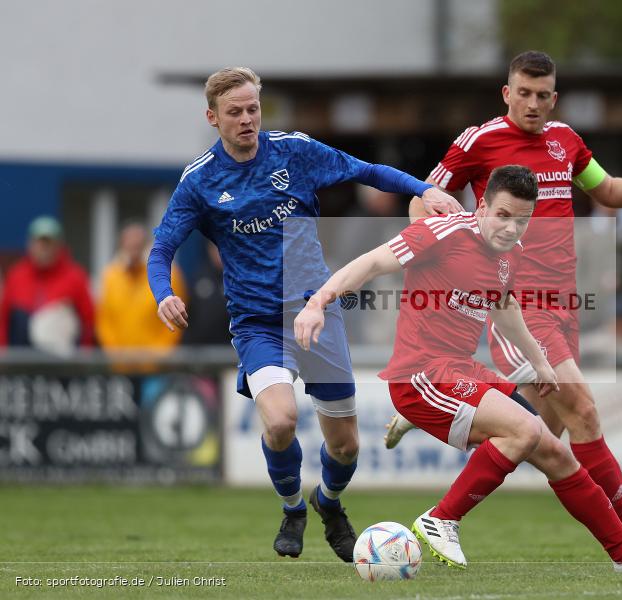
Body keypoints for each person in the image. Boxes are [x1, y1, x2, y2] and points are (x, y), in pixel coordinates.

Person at [383, 51, 622, 566]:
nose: (532, 103)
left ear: (555, 97)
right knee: (583, 408)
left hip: (564, 303)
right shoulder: (479, 140)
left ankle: (432, 443)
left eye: (542, 94)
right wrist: (449, 244)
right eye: (522, 93)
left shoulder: (566, 141)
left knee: (543, 435)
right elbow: (424, 197)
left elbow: (607, 189)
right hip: (517, 303)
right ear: (507, 93)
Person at [295, 166, 622, 572]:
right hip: (421, 373)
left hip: (463, 369)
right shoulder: (443, 232)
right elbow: (372, 263)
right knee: (526, 429)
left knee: (553, 449)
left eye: (521, 220)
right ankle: (442, 518)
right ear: (482, 206)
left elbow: (504, 306)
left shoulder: (509, 253)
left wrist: (539, 361)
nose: (510, 228)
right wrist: (318, 302)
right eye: (502, 215)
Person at [147, 66, 460, 561]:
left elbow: (366, 170)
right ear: (213, 117)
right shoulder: (200, 181)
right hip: (258, 323)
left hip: (316, 310)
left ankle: (329, 503)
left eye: (253, 108)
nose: (247, 119)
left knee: (345, 447)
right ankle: (293, 507)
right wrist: (163, 292)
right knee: (280, 421)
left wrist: (423, 189)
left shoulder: (295, 150)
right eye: (235, 112)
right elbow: (161, 247)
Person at [0, 216, 94, 354]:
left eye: (48, 243)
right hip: (23, 359)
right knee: (20, 317)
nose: (43, 248)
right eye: (39, 242)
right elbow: (4, 317)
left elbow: (88, 320)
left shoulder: (75, 277)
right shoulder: (17, 275)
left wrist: (85, 355)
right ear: (30, 244)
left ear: (59, 245)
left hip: (61, 359)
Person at [97, 222, 188, 355]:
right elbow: (104, 321)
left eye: (138, 245)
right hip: (119, 363)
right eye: (130, 245)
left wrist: (159, 355)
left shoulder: (169, 275)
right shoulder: (109, 276)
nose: (134, 250)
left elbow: (177, 318)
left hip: (157, 365)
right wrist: (114, 353)